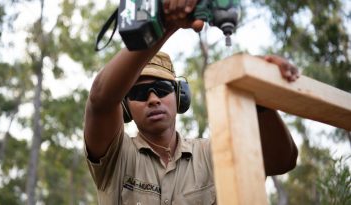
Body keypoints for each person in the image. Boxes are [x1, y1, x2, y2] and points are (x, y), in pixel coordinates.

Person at [84, 1, 299, 204]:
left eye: (162, 89)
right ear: (125, 107)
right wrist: (164, 22)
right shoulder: (117, 157)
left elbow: (281, 161)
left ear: (179, 96)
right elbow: (100, 100)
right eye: (139, 93)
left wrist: (258, 93)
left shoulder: (211, 154)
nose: (153, 99)